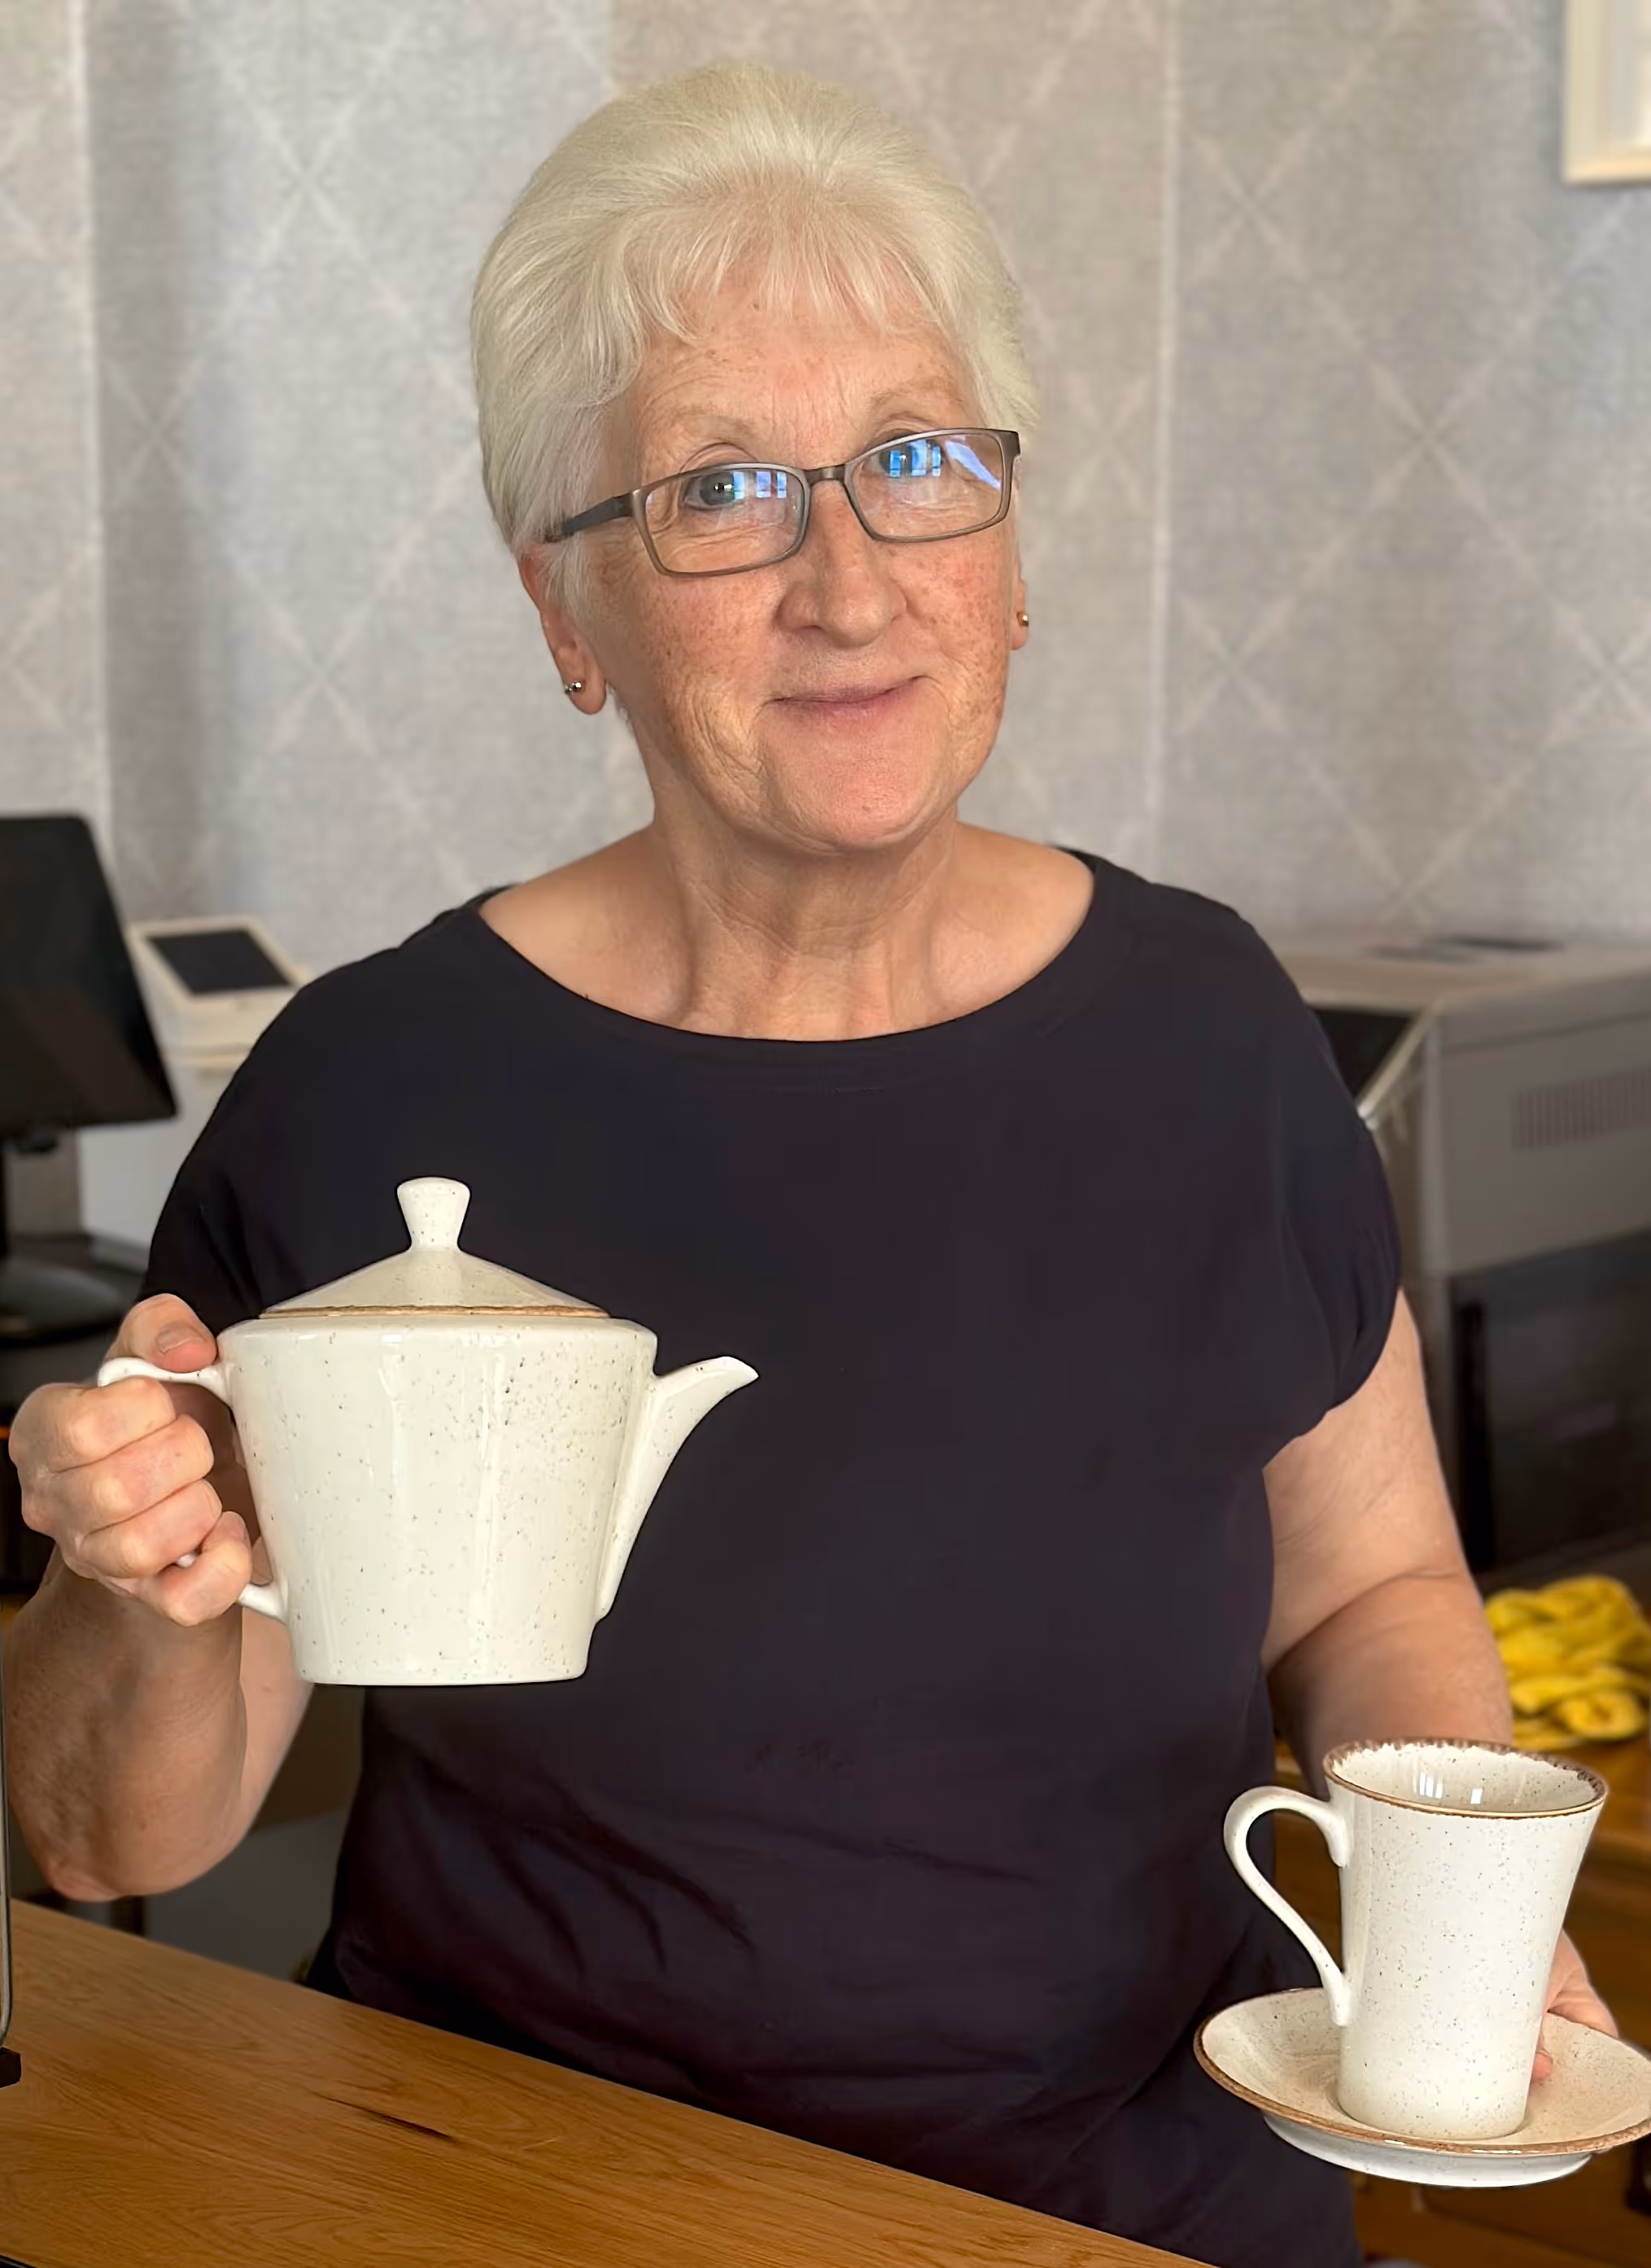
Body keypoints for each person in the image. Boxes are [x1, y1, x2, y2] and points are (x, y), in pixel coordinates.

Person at [5, 61, 1614, 2268]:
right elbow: (109, 1835)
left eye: (918, 461)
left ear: (1010, 553)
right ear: (564, 611)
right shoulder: (364, 1090)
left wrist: (1459, 1919)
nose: (847, 578)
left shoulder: (1213, 1037)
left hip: (1139, 2203)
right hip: (520, 2192)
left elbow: (1367, 1590)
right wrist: (133, 1580)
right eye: (719, 490)